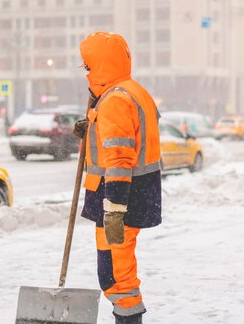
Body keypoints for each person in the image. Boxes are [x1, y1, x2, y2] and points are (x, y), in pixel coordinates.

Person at [74, 32, 161, 324]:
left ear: (101, 64)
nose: (85, 71)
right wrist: (90, 127)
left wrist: (114, 208)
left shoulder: (115, 100)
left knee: (116, 274)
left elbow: (120, 158)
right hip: (128, 196)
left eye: (88, 65)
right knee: (114, 269)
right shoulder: (131, 91)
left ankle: (128, 319)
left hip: (118, 200)